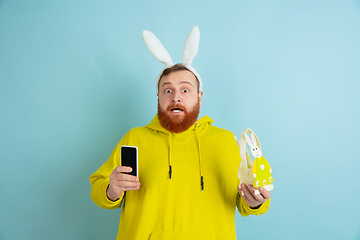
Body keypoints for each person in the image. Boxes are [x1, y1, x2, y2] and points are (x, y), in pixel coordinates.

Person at [90, 27, 271, 240]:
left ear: (199, 97)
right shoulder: (135, 139)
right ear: (158, 96)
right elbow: (98, 188)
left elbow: (246, 202)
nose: (176, 97)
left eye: (185, 90)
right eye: (168, 90)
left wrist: (256, 201)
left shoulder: (227, 141)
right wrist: (112, 189)